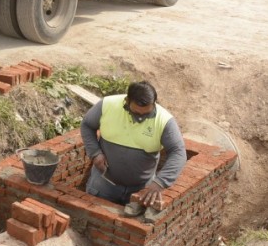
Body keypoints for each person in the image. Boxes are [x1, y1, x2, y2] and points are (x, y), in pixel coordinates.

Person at [80, 81, 187, 217]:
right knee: (93, 220)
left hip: (141, 190)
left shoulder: (164, 120)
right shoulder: (107, 105)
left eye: (146, 113)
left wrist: (160, 183)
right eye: (136, 113)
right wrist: (95, 153)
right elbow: (87, 125)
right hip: (103, 184)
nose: (140, 118)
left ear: (154, 103)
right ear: (127, 101)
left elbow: (178, 152)